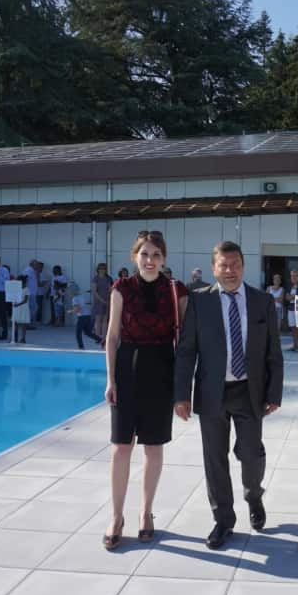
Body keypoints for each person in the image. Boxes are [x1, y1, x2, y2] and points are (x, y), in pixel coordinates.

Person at [174, 241, 284, 550]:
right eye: (223, 265)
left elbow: (273, 351)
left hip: (249, 391)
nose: (230, 270)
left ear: (243, 265)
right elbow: (186, 352)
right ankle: (223, 520)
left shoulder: (261, 301)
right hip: (212, 392)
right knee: (215, 459)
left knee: (251, 453)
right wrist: (181, 394)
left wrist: (274, 391)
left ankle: (253, 495)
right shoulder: (198, 302)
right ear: (214, 268)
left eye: (235, 264)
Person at [101, 231, 189, 550]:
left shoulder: (174, 289)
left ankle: (146, 512)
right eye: (144, 254)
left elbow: (185, 341)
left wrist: (183, 387)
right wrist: (111, 379)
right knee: (121, 446)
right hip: (128, 366)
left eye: (155, 254)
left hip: (162, 368)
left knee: (153, 446)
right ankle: (116, 515)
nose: (150, 260)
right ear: (134, 256)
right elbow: (111, 337)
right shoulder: (121, 288)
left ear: (164, 258)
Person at [71, 283, 102, 349]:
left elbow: (77, 309)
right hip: (89, 316)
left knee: (78, 333)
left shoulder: (74, 299)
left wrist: (71, 311)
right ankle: (100, 340)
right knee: (88, 332)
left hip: (82, 317)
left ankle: (81, 346)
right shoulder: (83, 296)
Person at [92, 263, 113, 340]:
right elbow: (94, 291)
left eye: (104, 268)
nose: (102, 270)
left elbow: (111, 289)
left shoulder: (108, 278)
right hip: (98, 301)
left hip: (107, 301)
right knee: (98, 319)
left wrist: (110, 299)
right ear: (98, 269)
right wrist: (101, 300)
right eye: (101, 268)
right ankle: (97, 337)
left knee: (105, 319)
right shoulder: (95, 278)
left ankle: (104, 337)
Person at [284, 270, 298, 351]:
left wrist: (291, 297)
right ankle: (295, 345)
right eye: (292, 276)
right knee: (293, 328)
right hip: (291, 308)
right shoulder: (289, 286)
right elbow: (286, 297)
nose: (293, 277)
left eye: (295, 275)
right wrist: (292, 297)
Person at [11, 276, 31, 343]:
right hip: (17, 307)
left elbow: (25, 300)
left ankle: (23, 338)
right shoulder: (16, 289)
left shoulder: (27, 289)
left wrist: (17, 304)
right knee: (15, 322)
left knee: (23, 324)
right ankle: (14, 337)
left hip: (23, 307)